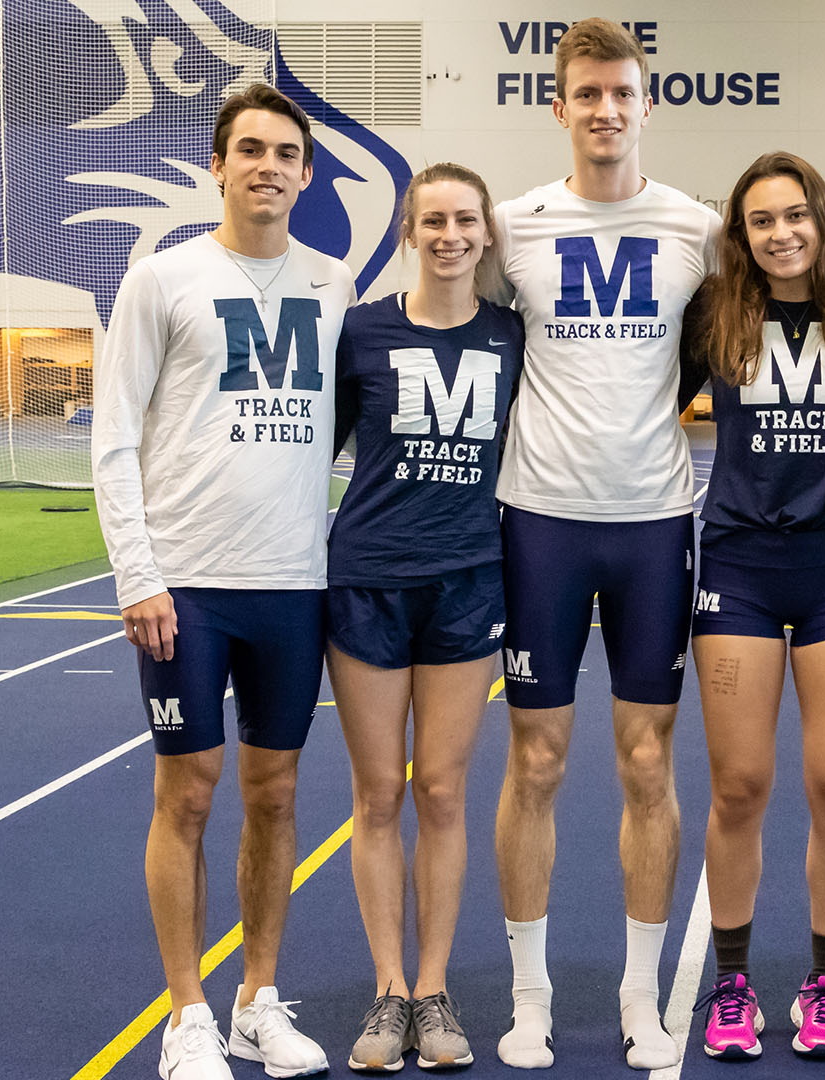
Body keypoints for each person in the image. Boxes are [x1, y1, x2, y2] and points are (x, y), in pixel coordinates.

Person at [92, 83, 353, 1080]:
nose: (269, 166)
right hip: (187, 586)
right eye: (250, 149)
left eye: (286, 153)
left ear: (306, 172)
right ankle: (187, 1012)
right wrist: (138, 576)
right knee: (188, 797)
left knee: (278, 794)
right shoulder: (163, 281)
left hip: (293, 583)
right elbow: (114, 441)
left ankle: (257, 1000)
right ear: (218, 164)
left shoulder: (333, 287)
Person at [485, 17, 721, 1071]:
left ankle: (639, 998)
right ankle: (530, 1000)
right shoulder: (512, 225)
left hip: (652, 522)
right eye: (587, 93)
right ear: (560, 106)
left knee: (645, 760)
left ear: (645, 102)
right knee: (534, 760)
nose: (606, 110)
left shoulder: (696, 229)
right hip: (539, 520)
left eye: (622, 92)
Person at [680, 151, 825, 1062]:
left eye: (795, 215)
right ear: (742, 233)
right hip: (737, 563)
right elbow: (634, 401)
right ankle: (731, 985)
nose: (781, 234)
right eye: (761, 221)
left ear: (822, 216)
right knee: (739, 786)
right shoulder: (714, 315)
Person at [325, 162, 522, 1073]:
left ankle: (434, 989)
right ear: (410, 231)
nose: (449, 234)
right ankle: (387, 991)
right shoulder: (360, 331)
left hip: (469, 580)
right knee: (379, 795)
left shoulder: (511, 336)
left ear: (487, 234)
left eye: (465, 220)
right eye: (432, 220)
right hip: (367, 579)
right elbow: (305, 446)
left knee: (442, 792)